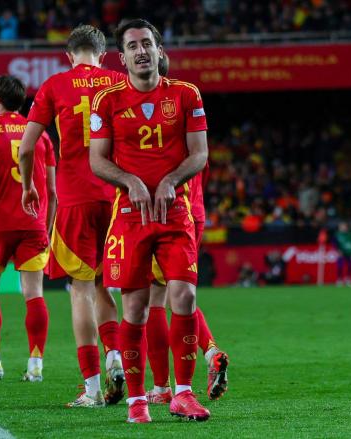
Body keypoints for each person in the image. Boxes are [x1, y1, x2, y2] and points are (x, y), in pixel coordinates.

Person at [90, 18, 210, 423]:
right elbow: (97, 160)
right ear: (121, 57)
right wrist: (131, 182)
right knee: (136, 309)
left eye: (147, 44)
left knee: (185, 297)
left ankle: (182, 394)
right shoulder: (106, 100)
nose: (141, 51)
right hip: (130, 217)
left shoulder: (186, 94)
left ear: (159, 50)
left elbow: (199, 153)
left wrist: (173, 180)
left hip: (175, 214)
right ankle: (137, 400)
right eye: (133, 46)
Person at [18, 25, 125, 407]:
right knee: (104, 286)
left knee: (79, 290)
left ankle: (94, 388)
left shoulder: (53, 85)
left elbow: (27, 148)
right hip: (116, 196)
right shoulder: (118, 81)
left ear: (69, 55)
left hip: (75, 197)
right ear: (104, 53)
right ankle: (116, 355)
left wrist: (30, 185)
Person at [143, 55, 229, 407]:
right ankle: (210, 353)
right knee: (182, 296)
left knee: (154, 300)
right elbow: (201, 167)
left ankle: (164, 387)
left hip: (167, 212)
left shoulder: (159, 120)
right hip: (193, 213)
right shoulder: (188, 112)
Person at [0, 75, 56, 382]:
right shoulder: (41, 135)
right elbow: (53, 192)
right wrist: (49, 228)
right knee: (34, 293)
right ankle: (36, 365)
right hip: (34, 224)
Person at [334, 221, 351, 286]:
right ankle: (339, 279)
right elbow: (334, 244)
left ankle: (348, 279)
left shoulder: (350, 234)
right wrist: (338, 250)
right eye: (342, 227)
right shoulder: (337, 235)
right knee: (340, 266)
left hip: (349, 253)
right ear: (339, 228)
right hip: (341, 253)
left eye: (345, 226)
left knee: (350, 266)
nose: (344, 228)